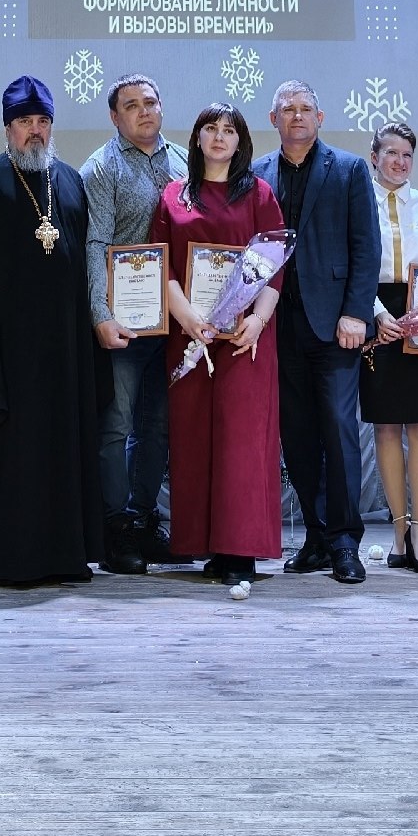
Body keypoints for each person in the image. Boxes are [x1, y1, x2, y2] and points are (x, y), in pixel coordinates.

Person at [0, 76, 103, 586]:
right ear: (7, 128)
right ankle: (7, 558)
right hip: (7, 354)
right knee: (11, 452)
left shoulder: (71, 183)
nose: (35, 131)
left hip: (64, 351)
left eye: (42, 122)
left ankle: (63, 555)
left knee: (61, 447)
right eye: (24, 122)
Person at [154, 104, 286, 589]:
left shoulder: (259, 194)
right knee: (195, 439)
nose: (218, 136)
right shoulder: (174, 195)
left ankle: (240, 550)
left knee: (241, 442)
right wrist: (188, 319)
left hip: (245, 339)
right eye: (210, 128)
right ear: (197, 137)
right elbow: (164, 266)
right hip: (190, 336)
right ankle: (209, 544)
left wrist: (259, 321)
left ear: (240, 142)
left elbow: (275, 265)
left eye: (229, 130)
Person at [252, 80, 378, 585]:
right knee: (298, 433)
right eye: (288, 109)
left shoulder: (348, 168)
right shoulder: (256, 173)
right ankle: (317, 536)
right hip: (277, 326)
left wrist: (357, 313)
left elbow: (365, 247)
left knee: (339, 428)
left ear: (320, 118)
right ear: (274, 119)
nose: (298, 116)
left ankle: (345, 541)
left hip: (335, 326)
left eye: (306, 108)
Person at [79, 74, 188, 577]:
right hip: (123, 322)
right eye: (131, 105)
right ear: (114, 116)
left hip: (173, 322)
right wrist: (100, 314)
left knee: (158, 426)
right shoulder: (102, 167)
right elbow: (96, 244)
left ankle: (145, 521)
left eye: (150, 102)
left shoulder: (184, 161)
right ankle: (116, 527)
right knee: (117, 424)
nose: (144, 111)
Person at [361, 124, 418, 574]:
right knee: (386, 429)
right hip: (377, 313)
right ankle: (398, 531)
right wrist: (378, 314)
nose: (399, 161)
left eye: (407, 155)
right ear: (374, 156)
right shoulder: (359, 202)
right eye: (391, 153)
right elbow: (357, 265)